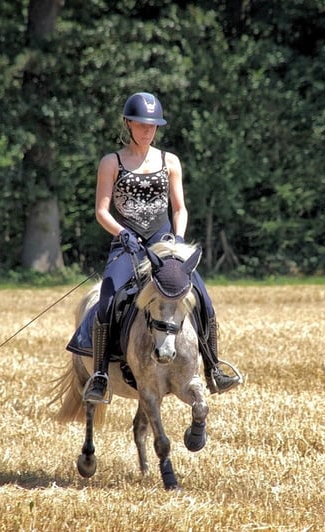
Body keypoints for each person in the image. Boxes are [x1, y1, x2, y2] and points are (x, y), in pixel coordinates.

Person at [82, 91, 241, 404]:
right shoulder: (111, 162)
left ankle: (213, 368)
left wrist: (177, 240)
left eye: (153, 125)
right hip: (126, 244)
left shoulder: (170, 161)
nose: (147, 130)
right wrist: (122, 233)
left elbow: (179, 209)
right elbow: (101, 211)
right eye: (142, 124)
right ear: (128, 123)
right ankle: (100, 374)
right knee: (108, 298)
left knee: (202, 296)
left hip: (165, 245)